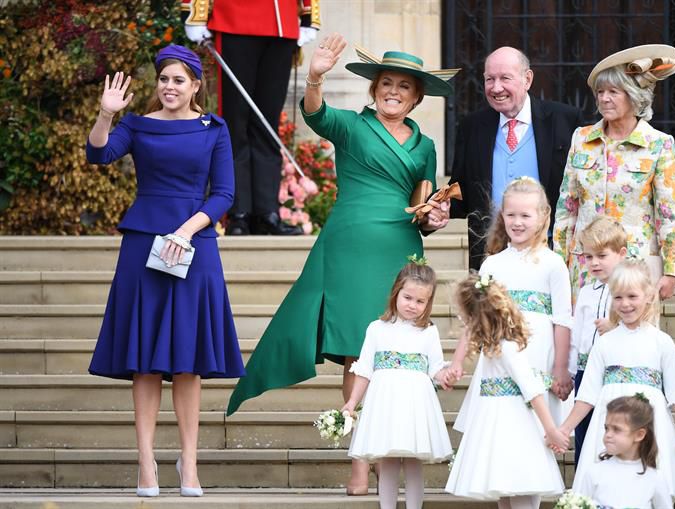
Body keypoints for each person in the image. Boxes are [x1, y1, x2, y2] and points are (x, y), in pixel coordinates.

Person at [226, 34, 456, 494]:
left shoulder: (426, 144)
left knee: (399, 350)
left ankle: (388, 450)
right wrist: (315, 75)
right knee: (359, 348)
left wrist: (435, 215)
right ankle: (358, 460)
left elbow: (423, 202)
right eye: (386, 83)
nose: (393, 91)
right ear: (374, 90)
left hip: (400, 249)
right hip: (350, 245)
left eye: (404, 87)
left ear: (416, 96)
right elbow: (315, 114)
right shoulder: (352, 126)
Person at [85, 45, 245, 497]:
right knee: (145, 362)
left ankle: (189, 463)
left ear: (196, 85)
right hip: (143, 245)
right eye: (164, 79)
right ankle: (146, 462)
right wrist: (105, 115)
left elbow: (224, 194)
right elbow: (98, 156)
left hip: (193, 246)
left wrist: (185, 231)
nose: (169, 86)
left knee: (189, 362)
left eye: (178, 80)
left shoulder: (214, 128)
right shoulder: (136, 124)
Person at [558, 259, 675, 502]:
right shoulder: (604, 342)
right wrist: (565, 428)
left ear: (648, 296)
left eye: (632, 296)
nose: (625, 304)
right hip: (610, 421)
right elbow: (587, 395)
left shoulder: (661, 342)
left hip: (651, 425)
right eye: (619, 297)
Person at [553, 44, 675, 298]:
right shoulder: (581, 138)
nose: (604, 98)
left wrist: (672, 271)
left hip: (634, 266)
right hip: (585, 266)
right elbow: (566, 209)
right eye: (600, 92)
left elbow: (669, 214)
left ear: (634, 96)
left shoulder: (659, 144)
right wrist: (558, 262)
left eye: (613, 91)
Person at [182, 0, 320, 235]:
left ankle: (267, 212)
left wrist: (309, 15)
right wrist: (195, 12)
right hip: (235, 19)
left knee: (268, 124)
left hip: (282, 25)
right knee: (236, 124)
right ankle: (238, 213)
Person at [448, 177, 572, 431]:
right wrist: (457, 361)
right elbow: (475, 319)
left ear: (542, 216)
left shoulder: (553, 264)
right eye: (511, 214)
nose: (517, 222)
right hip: (499, 355)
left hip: (538, 352)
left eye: (525, 215)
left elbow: (562, 320)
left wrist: (560, 368)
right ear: (502, 216)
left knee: (534, 425)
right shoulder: (492, 264)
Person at [447, 46, 581, 270]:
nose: (496, 87)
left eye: (504, 78)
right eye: (490, 79)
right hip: (490, 256)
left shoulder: (564, 120)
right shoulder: (472, 127)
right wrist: (437, 209)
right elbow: (461, 195)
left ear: (527, 79)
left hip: (550, 253)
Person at [445, 273, 568, 509]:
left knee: (518, 485)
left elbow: (532, 390)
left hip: (514, 425)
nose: (464, 322)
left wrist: (551, 429)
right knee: (504, 487)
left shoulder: (508, 347)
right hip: (495, 423)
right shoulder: (493, 347)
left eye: (466, 317)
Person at [342, 260, 452, 509]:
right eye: (408, 297)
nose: (412, 305)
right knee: (389, 461)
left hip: (415, 403)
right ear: (396, 293)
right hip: (386, 402)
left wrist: (444, 375)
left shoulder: (428, 332)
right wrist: (351, 402)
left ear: (428, 303)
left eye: (420, 301)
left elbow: (434, 367)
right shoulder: (377, 329)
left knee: (413, 462)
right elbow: (365, 370)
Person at [569, 216, 627, 465]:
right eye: (589, 257)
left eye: (602, 256)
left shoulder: (628, 291)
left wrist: (616, 327)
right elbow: (576, 336)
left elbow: (642, 327)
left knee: (611, 431)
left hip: (614, 374)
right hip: (585, 372)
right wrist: (571, 373)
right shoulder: (585, 292)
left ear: (621, 253)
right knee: (584, 432)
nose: (594, 263)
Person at [572, 394, 672, 509]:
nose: (608, 435)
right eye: (606, 428)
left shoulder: (655, 478)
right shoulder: (594, 472)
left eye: (616, 429)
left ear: (639, 435)